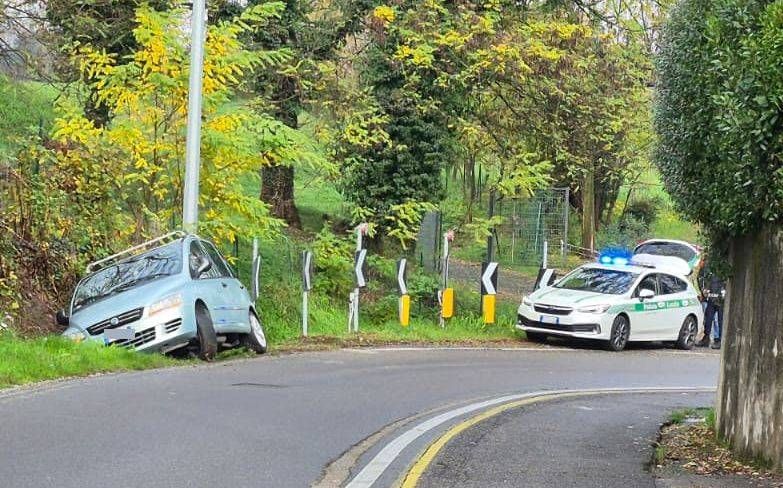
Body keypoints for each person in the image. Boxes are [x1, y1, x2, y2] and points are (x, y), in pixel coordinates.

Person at [697, 256, 725, 348]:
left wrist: (723, 292)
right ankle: (706, 338)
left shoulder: (723, 266)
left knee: (720, 320)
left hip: (721, 299)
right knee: (708, 320)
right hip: (711, 298)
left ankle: (719, 340)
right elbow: (702, 279)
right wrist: (704, 290)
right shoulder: (709, 267)